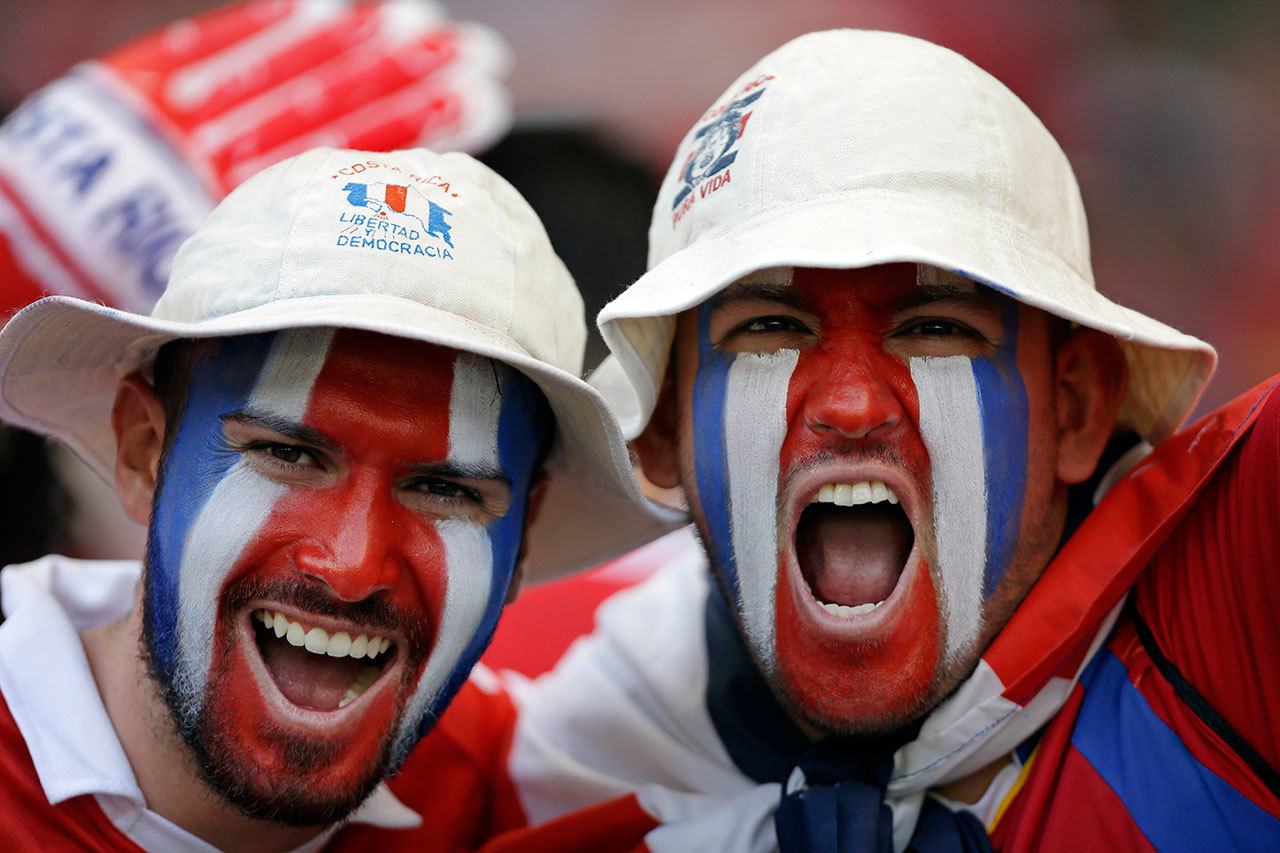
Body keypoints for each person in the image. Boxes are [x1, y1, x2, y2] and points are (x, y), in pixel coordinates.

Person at [497, 30, 1280, 850]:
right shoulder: (558, 757)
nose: (849, 404)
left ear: (1077, 408)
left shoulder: (1227, 598)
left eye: (935, 327)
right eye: (769, 327)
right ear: (663, 429)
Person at [0, 145, 679, 850]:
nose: (352, 567)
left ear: (523, 538)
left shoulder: (521, 783)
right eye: (288, 453)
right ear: (144, 450)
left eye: (444, 489)